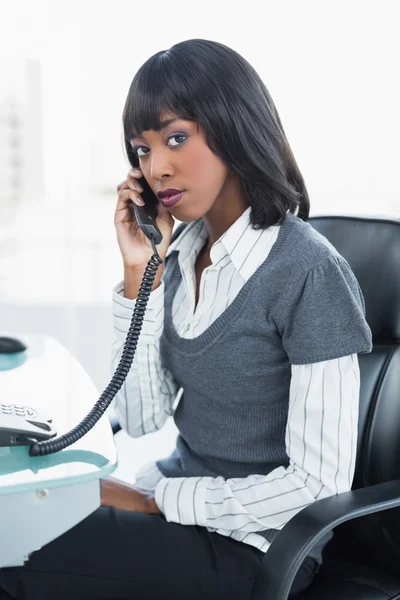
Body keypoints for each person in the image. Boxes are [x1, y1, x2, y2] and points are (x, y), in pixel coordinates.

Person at [0, 38, 372, 600]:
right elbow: (143, 417)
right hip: (178, 504)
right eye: (142, 150)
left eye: (176, 138)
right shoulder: (179, 252)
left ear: (233, 126)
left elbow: (316, 486)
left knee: (13, 550)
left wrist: (154, 501)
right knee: (18, 519)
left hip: (257, 547)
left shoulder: (308, 271)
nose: (157, 167)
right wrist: (139, 274)